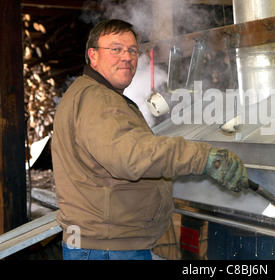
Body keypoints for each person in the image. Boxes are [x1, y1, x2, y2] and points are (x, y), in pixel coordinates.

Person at [51, 19, 248, 260]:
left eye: (132, 50)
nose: (127, 57)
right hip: (108, 248)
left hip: (103, 243)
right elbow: (130, 156)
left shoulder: (90, 93)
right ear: (93, 56)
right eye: (116, 49)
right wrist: (203, 157)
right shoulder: (97, 98)